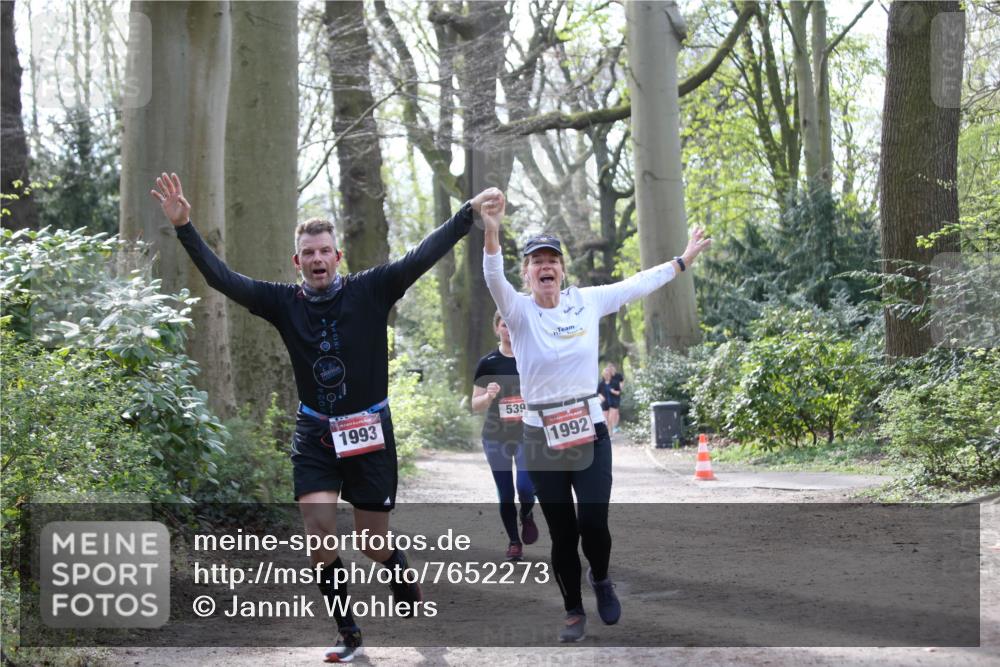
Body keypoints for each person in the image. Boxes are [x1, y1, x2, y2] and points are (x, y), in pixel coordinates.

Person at [151, 172, 502, 663]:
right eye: (308, 253)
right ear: (298, 262)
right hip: (316, 431)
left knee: (372, 542)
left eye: (325, 251)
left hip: (369, 430)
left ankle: (397, 570)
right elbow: (221, 279)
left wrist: (467, 213)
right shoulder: (281, 302)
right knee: (318, 532)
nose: (317, 259)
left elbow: (422, 254)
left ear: (338, 256)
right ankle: (348, 631)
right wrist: (185, 225)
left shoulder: (372, 289)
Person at [479, 191, 710, 642]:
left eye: (552, 260)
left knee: (593, 525)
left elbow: (637, 284)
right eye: (535, 261)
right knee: (563, 533)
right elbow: (491, 273)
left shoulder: (587, 302)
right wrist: (491, 228)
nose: (544, 266)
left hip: (588, 432)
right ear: (526, 273)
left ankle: (600, 578)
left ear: (563, 270)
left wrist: (681, 261)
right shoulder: (518, 312)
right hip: (540, 438)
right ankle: (572, 610)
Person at [471, 311, 540, 561]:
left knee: (524, 486)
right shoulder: (487, 362)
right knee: (505, 492)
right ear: (496, 328)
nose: (508, 330)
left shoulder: (530, 358)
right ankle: (514, 541)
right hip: (495, 436)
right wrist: (488, 396)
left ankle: (528, 513)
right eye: (503, 325)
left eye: (512, 325)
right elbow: (475, 404)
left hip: (526, 434)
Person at [606, 363, 624, 434]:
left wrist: (621, 387)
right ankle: (612, 428)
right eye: (609, 368)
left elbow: (622, 381)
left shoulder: (618, 375)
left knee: (616, 412)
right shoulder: (608, 376)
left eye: (612, 368)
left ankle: (615, 426)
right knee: (611, 412)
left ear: (614, 368)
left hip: (617, 395)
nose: (611, 369)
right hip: (609, 395)